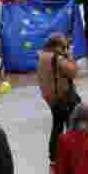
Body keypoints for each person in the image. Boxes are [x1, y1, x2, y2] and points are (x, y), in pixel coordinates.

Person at [37, 33, 80, 164]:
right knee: (71, 126)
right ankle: (73, 155)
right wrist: (70, 56)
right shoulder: (57, 58)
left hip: (51, 99)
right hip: (64, 97)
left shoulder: (42, 57)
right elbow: (74, 71)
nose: (65, 49)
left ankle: (54, 156)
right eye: (64, 46)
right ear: (57, 46)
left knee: (57, 126)